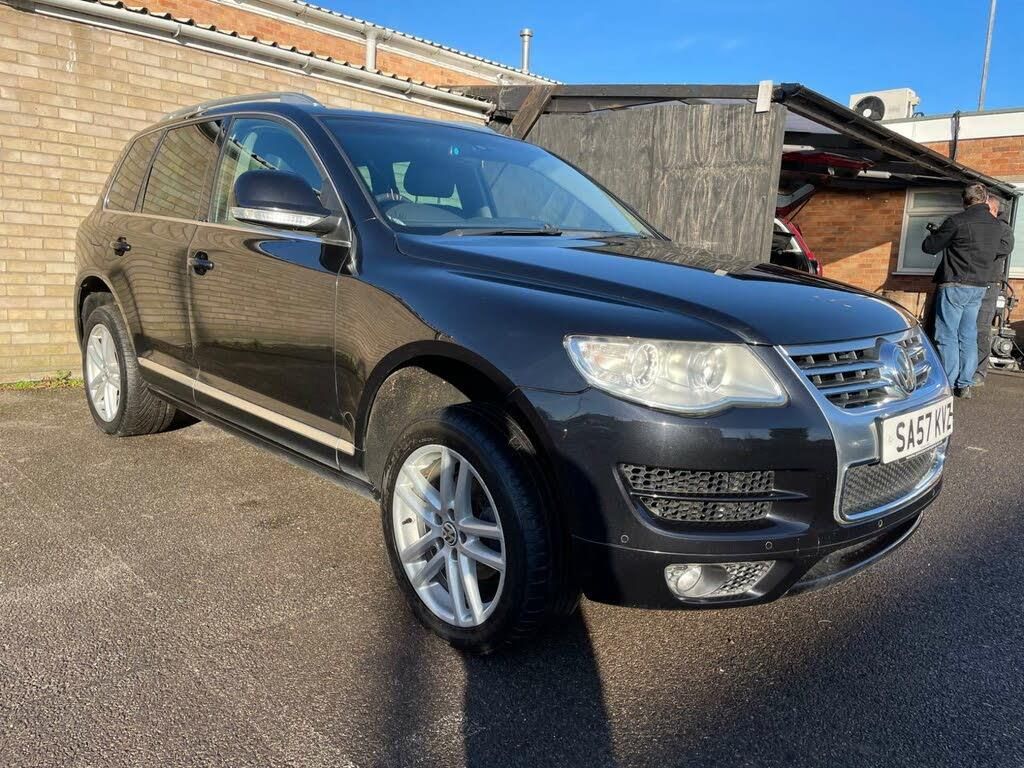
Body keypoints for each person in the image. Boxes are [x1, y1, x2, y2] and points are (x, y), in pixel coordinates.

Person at [922, 183, 1002, 399]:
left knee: (946, 334)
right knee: (968, 334)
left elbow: (930, 247)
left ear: (965, 200)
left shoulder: (957, 221)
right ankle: (965, 383)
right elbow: (998, 249)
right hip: (979, 286)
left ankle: (947, 383)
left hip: (956, 284)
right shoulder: (996, 225)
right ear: (985, 199)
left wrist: (935, 234)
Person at [973, 196, 1014, 386]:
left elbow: (1005, 248)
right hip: (971, 281)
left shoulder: (1003, 228)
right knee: (965, 328)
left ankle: (979, 372)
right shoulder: (979, 225)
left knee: (982, 328)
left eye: (986, 208)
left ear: (994, 210)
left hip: (989, 283)